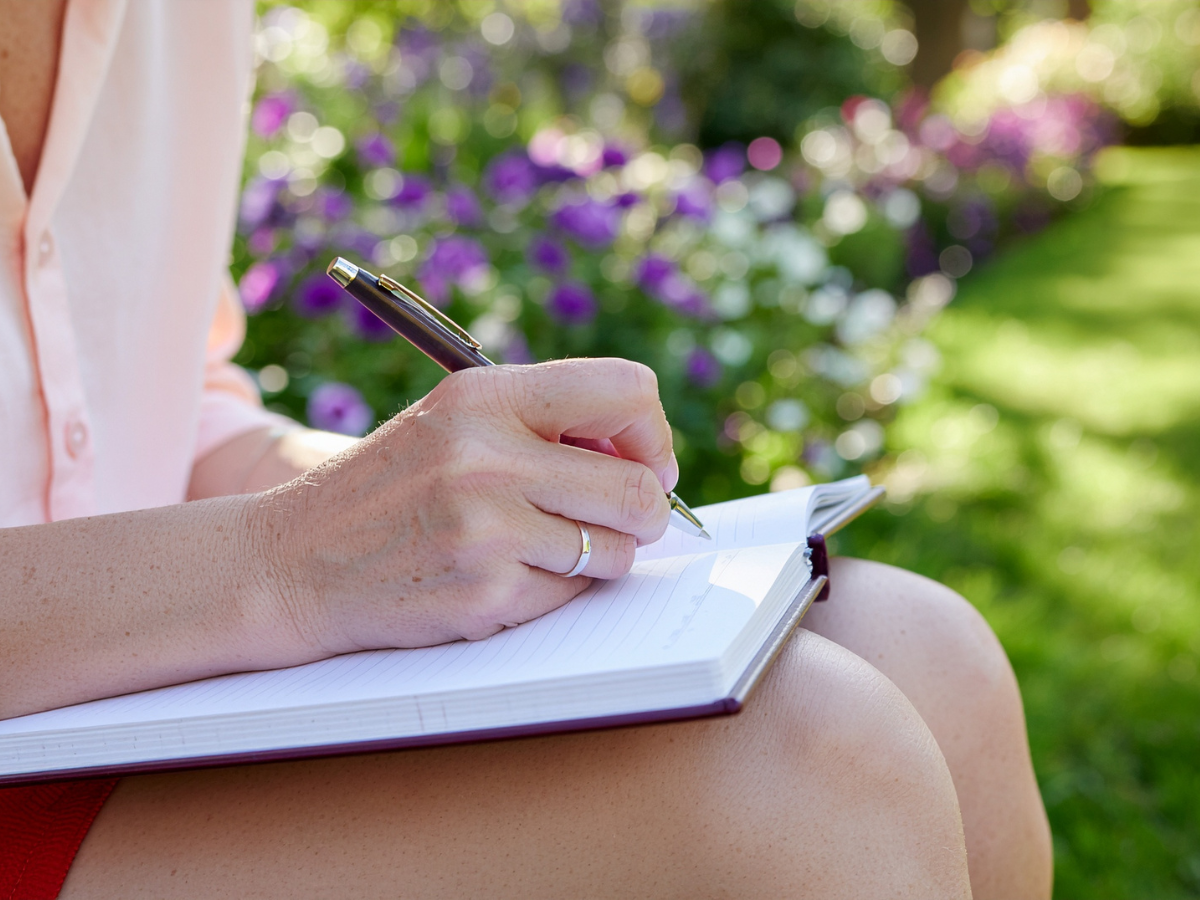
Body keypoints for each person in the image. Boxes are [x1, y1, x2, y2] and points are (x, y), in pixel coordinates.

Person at [0, 1, 1052, 897]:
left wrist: (424, 504)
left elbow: (171, 404)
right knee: (815, 767)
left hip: (135, 686)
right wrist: (285, 559)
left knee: (926, 646)